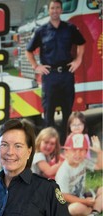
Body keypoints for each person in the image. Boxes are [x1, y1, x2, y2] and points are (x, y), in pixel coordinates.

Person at [0, 119, 70, 215]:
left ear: (29, 152)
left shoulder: (47, 190)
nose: (10, 152)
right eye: (4, 145)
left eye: (18, 146)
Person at [25, 0, 86, 143]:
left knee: (67, 113)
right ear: (48, 10)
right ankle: (50, 147)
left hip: (66, 74)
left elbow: (81, 43)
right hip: (50, 76)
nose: (55, 10)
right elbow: (29, 51)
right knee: (49, 114)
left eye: (58, 8)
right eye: (52, 8)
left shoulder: (70, 28)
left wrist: (78, 61)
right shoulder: (41, 31)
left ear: (61, 10)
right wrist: (36, 66)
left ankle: (67, 145)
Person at [55, 133, 103, 216]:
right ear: (66, 152)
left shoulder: (83, 161)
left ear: (86, 152)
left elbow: (99, 166)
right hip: (69, 202)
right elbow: (64, 196)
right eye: (74, 150)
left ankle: (94, 212)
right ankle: (91, 210)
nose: (78, 154)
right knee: (74, 208)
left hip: (82, 194)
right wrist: (85, 202)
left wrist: (99, 152)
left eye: (81, 150)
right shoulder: (63, 172)